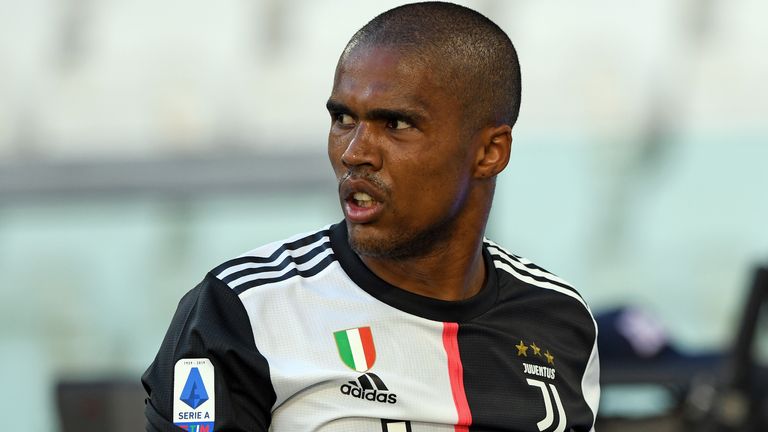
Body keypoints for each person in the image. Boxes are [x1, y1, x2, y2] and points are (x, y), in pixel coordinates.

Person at [142, 2, 600, 431]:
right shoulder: (240, 311)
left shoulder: (561, 320)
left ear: (488, 152)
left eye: (396, 124)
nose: (354, 152)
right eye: (343, 119)